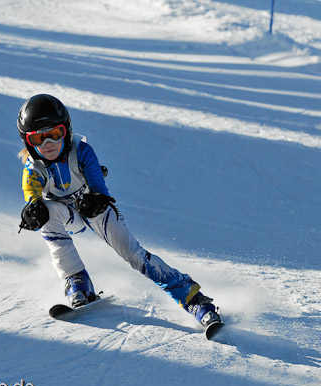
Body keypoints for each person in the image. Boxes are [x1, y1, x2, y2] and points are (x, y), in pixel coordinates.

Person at [16, 94, 221, 329]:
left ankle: (194, 300)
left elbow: (99, 188)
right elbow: (32, 198)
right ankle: (77, 281)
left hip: (96, 211)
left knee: (135, 256)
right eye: (38, 138)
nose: (48, 144)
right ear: (27, 142)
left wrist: (96, 200)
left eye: (55, 134)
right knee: (47, 216)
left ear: (67, 131)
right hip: (66, 215)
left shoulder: (81, 152)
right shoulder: (32, 169)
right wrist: (32, 212)